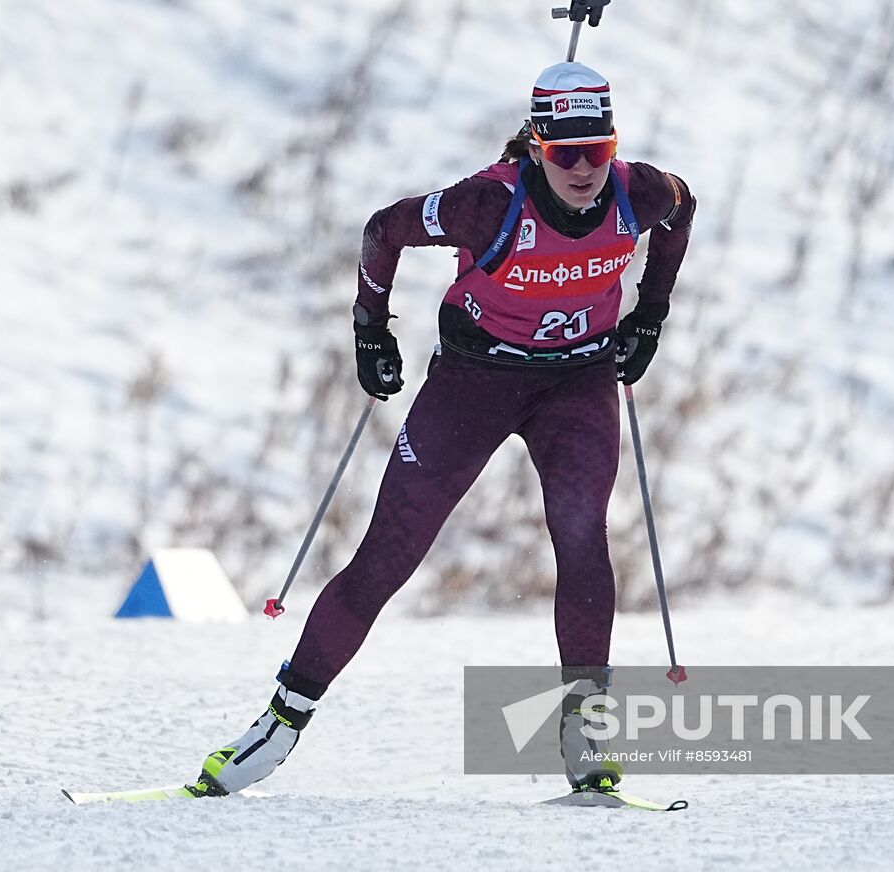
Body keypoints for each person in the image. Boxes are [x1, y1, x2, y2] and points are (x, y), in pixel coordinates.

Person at [190, 61, 696, 797]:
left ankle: (585, 731)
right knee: (388, 555)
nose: (585, 168)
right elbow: (382, 230)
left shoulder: (641, 190)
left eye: (599, 149)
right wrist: (370, 329)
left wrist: (651, 311)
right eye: (565, 153)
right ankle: (277, 724)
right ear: (537, 148)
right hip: (473, 384)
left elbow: (682, 212)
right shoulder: (483, 205)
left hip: (576, 383)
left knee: (582, 536)